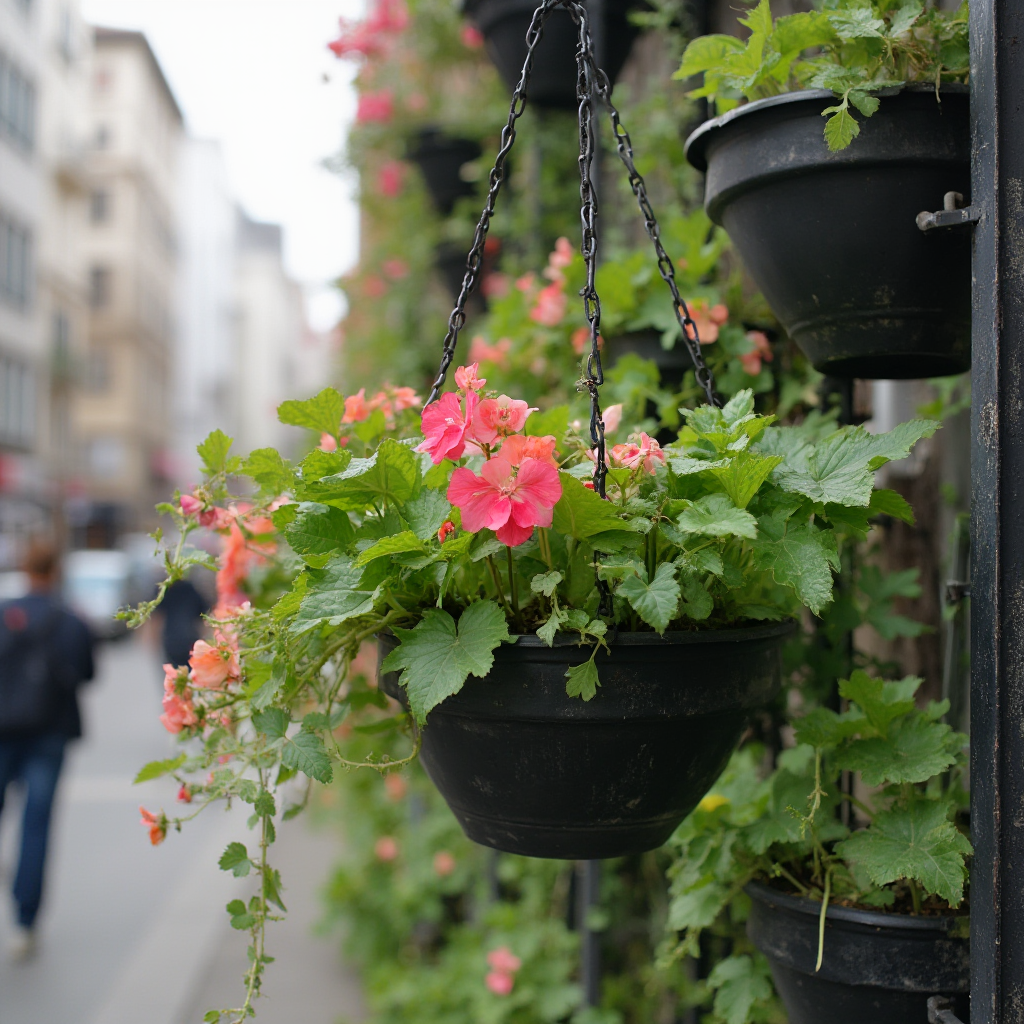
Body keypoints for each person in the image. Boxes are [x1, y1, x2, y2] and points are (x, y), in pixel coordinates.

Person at [0, 540, 94, 961]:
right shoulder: (69, 620)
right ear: (56, 571)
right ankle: (25, 921)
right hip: (49, 733)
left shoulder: (3, 614)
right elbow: (87, 674)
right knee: (36, 826)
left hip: (2, 731)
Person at [158, 577, 209, 668]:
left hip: (171, 642)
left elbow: (157, 618)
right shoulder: (190, 588)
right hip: (190, 639)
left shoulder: (164, 589)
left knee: (176, 675)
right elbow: (202, 617)